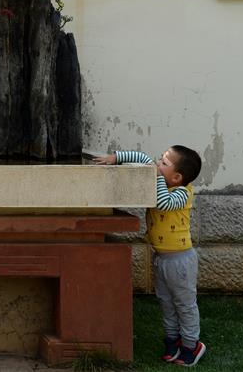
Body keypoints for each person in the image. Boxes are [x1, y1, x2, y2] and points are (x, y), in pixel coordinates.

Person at [94, 146, 206, 367]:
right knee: (166, 302)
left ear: (177, 177)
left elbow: (164, 203)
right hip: (162, 258)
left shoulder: (183, 192)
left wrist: (156, 177)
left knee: (184, 304)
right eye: (160, 159)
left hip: (181, 260)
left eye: (164, 163)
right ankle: (173, 340)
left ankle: (192, 345)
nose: (157, 164)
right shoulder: (164, 179)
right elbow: (143, 157)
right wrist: (116, 158)